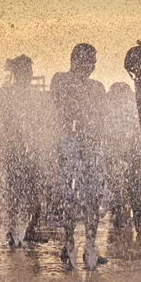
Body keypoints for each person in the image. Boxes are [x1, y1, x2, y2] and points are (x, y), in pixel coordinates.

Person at [49, 44, 109, 269]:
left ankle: (90, 246)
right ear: (75, 61)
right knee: (70, 198)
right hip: (70, 145)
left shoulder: (97, 87)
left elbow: (102, 119)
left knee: (91, 198)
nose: (91, 66)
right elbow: (56, 110)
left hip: (90, 147)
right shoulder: (61, 80)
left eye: (93, 62)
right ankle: (69, 244)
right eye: (88, 61)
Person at [0, 55, 47, 249]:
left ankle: (30, 230)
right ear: (18, 73)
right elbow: (7, 122)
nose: (29, 75)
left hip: (29, 149)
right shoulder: (10, 94)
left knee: (34, 193)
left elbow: (39, 121)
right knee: (15, 193)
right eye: (26, 71)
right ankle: (12, 232)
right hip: (15, 149)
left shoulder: (30, 94)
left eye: (30, 71)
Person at [103, 82, 141, 237]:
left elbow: (107, 134)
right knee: (134, 189)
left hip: (117, 154)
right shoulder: (131, 109)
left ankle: (120, 219)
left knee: (118, 188)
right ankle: (137, 223)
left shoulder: (110, 111)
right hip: (130, 154)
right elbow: (138, 131)